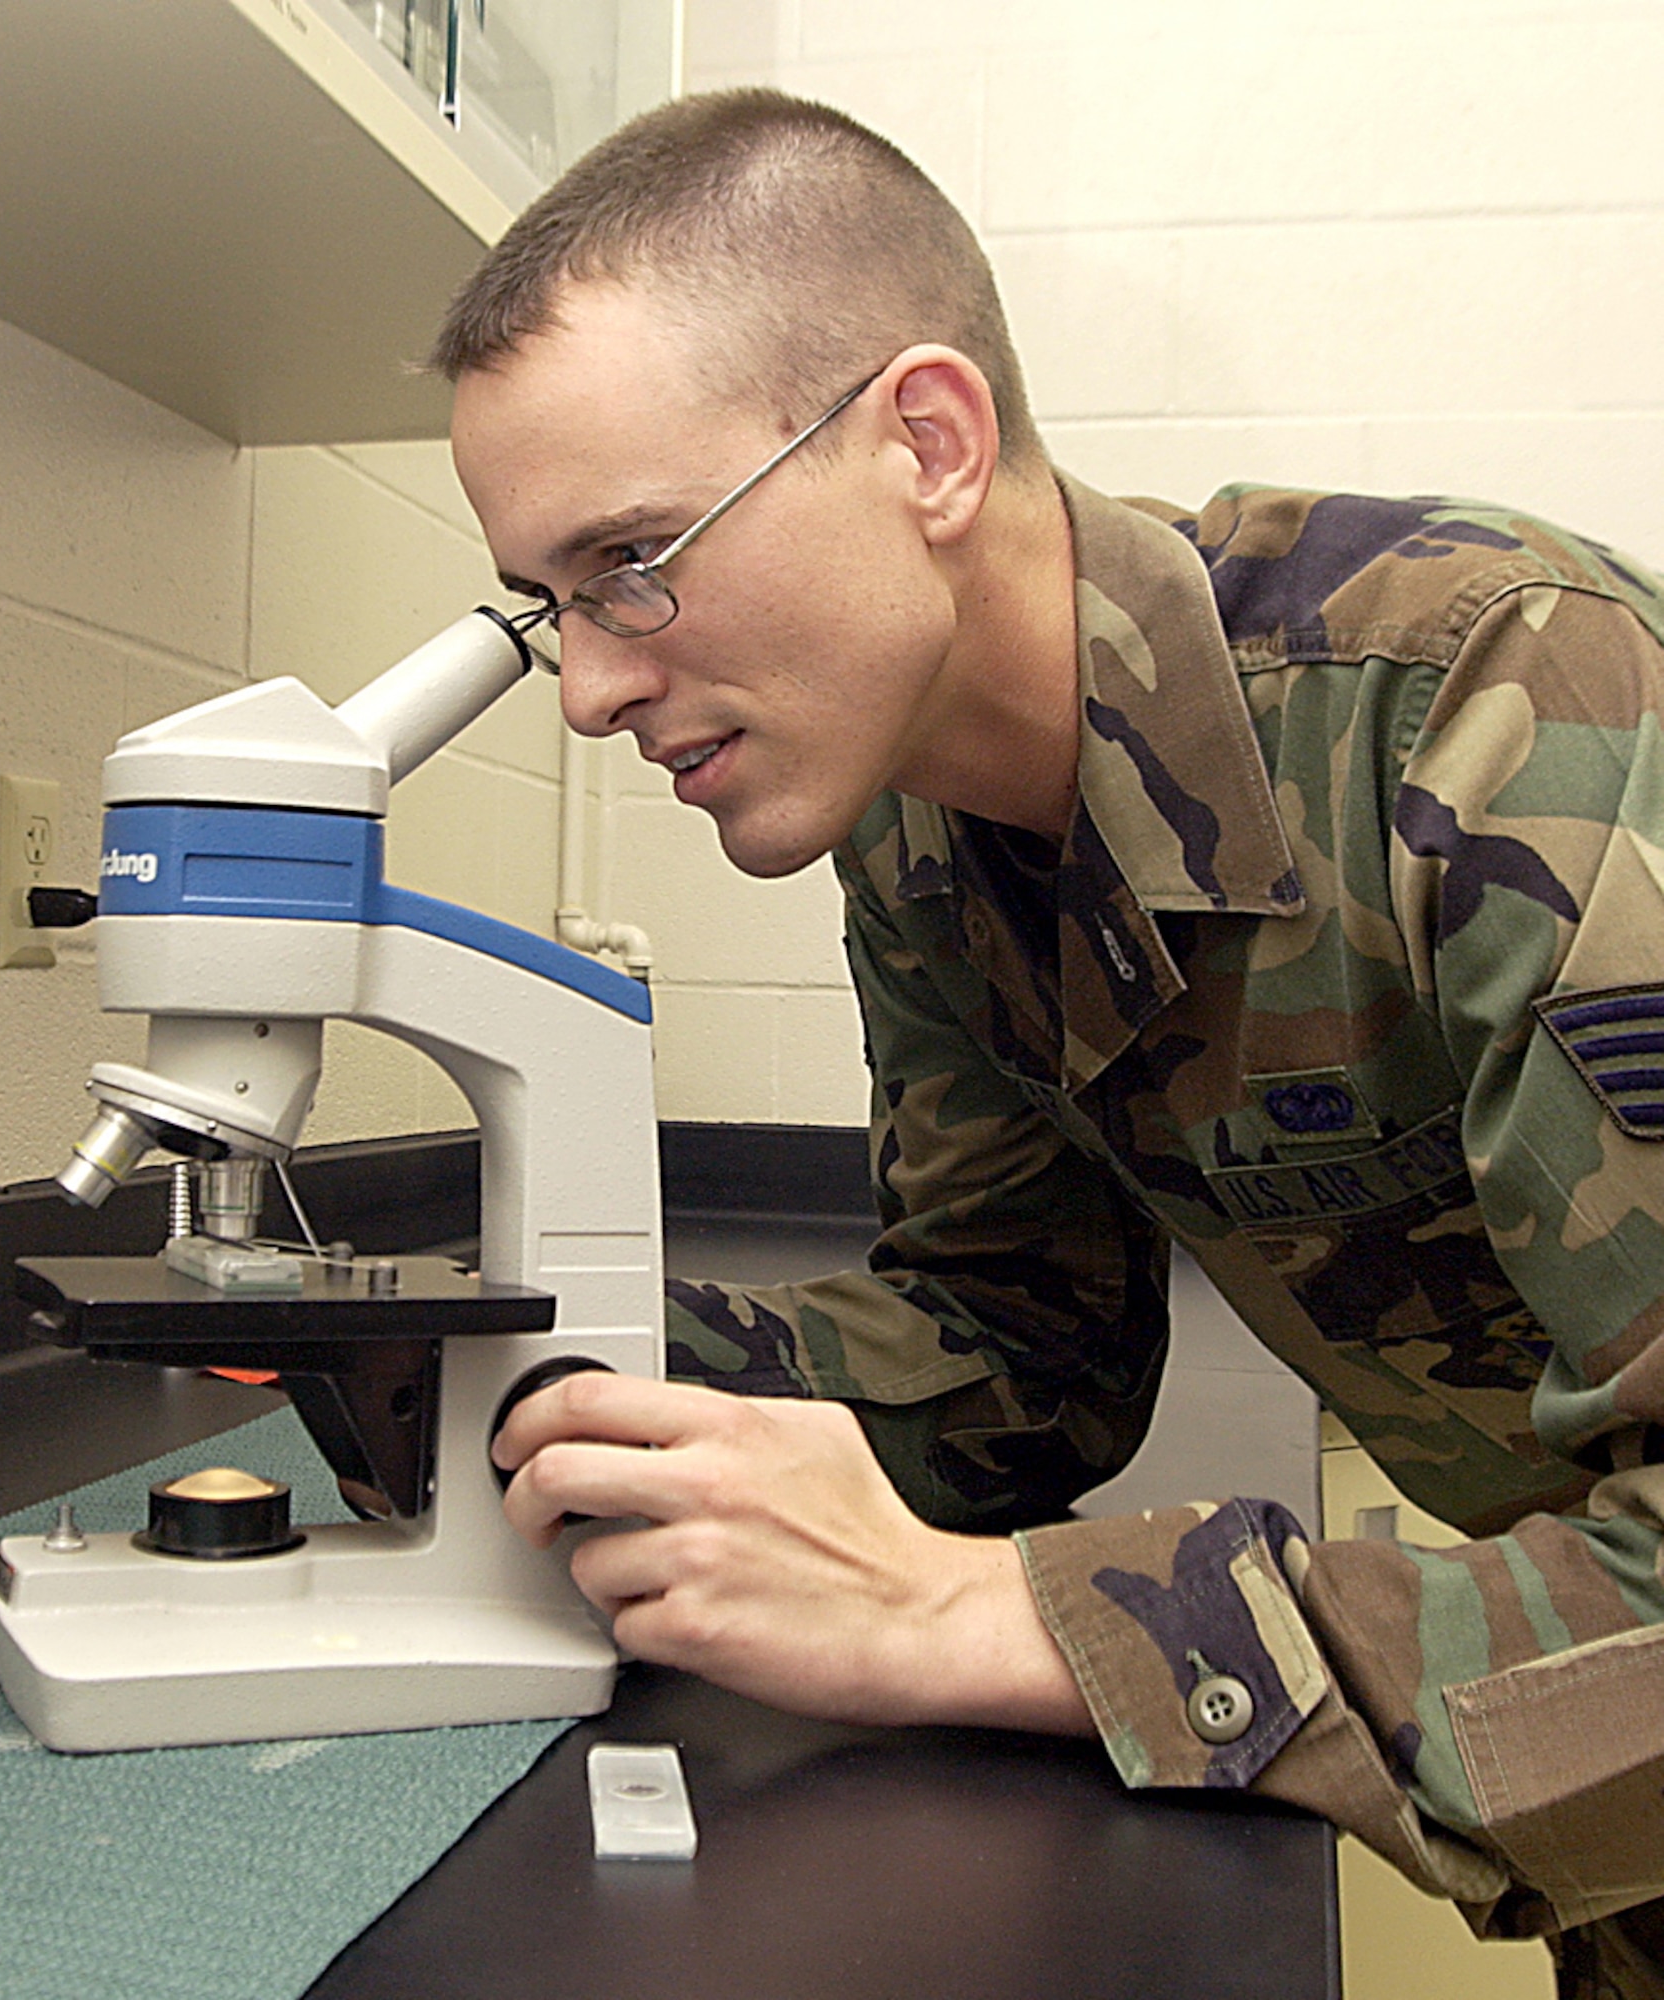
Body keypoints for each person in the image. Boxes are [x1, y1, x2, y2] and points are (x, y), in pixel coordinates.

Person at [434, 87, 1664, 1998]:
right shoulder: (921, 834)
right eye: (551, 608)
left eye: (635, 565)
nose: (592, 687)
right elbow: (1022, 1364)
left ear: (929, 442)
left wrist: (967, 1618)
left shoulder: (1500, 710)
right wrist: (530, 1366)